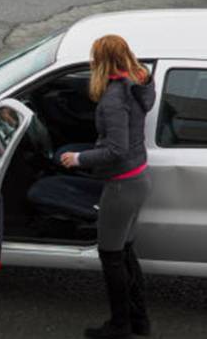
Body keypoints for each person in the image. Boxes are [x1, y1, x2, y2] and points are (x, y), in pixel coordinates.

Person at [60, 35, 156, 339]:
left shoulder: (115, 98)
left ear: (101, 61)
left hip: (121, 187)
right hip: (138, 180)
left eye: (93, 57)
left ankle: (119, 326)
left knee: (111, 256)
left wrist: (78, 158)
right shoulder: (138, 84)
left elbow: (117, 149)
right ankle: (139, 322)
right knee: (126, 253)